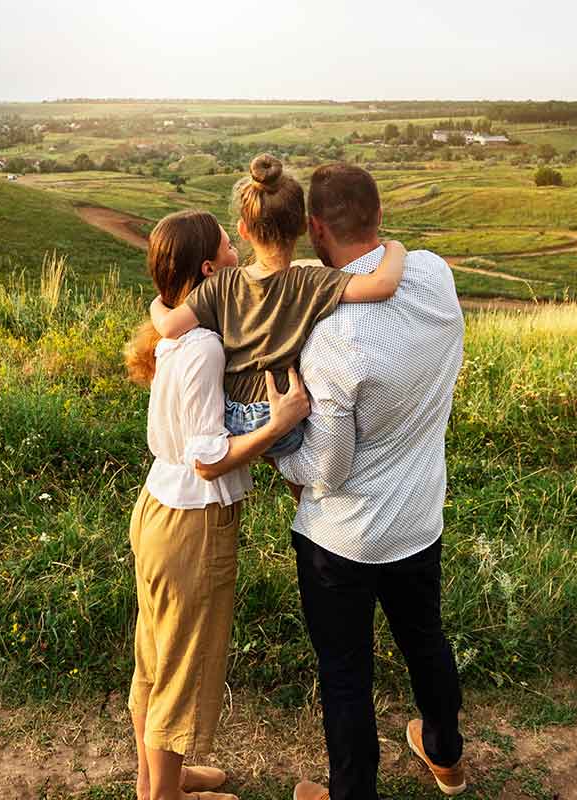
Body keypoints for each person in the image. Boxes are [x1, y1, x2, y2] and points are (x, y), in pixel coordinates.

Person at [277, 164, 470, 800]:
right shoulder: (434, 273)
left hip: (345, 537)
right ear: (380, 215)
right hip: (419, 514)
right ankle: (444, 755)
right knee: (425, 640)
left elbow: (326, 470)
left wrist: (283, 458)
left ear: (314, 228)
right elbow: (402, 255)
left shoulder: (331, 335)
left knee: (345, 673)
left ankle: (352, 794)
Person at [123, 209, 313, 800]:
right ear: (210, 269)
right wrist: (278, 424)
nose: (240, 256)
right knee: (180, 672)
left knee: (154, 658)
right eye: (231, 248)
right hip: (195, 523)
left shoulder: (175, 331)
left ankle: (157, 779)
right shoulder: (204, 345)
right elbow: (209, 456)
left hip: (157, 507)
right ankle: (165, 797)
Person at [148, 154, 409, 481]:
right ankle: (310, 500)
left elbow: (169, 327)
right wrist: (395, 247)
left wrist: (156, 302)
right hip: (279, 417)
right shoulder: (308, 282)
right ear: (303, 226)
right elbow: (383, 285)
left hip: (230, 417)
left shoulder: (222, 283)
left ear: (243, 229)